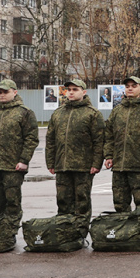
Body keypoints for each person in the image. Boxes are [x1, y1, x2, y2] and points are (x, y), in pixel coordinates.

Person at [0, 79, 39, 232]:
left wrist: (24, 160)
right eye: (0, 92)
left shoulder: (24, 112)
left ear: (15, 92)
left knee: (12, 201)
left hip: (13, 166)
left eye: (5, 92)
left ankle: (10, 232)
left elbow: (31, 139)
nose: (2, 95)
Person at [45, 78, 105, 230]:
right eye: (69, 90)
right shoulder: (58, 113)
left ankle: (80, 232)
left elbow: (99, 141)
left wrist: (96, 163)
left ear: (84, 92)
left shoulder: (92, 114)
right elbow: (51, 140)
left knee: (82, 201)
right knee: (63, 200)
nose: (71, 92)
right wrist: (50, 162)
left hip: (83, 166)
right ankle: (64, 231)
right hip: (62, 165)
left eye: (75, 90)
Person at [103, 76, 140, 216]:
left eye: (134, 86)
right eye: (127, 86)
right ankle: (124, 227)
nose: (130, 88)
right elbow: (109, 136)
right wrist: (109, 156)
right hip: (119, 165)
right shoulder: (117, 111)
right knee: (119, 202)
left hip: (139, 165)